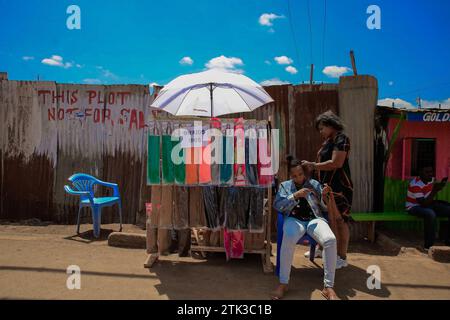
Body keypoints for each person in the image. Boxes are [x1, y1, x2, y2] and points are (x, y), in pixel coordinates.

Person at [271, 159, 338, 300]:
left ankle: (328, 287)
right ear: (290, 176)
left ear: (304, 173)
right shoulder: (285, 186)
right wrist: (295, 195)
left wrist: (325, 195)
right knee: (288, 237)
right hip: (294, 220)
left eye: (300, 174)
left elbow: (325, 207)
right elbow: (277, 205)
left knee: (330, 240)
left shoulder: (314, 184)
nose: (298, 178)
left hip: (314, 219)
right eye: (294, 176)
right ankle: (283, 283)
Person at [302, 110, 353, 269]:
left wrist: (314, 165)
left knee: (339, 221)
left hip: (339, 187)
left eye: (322, 128)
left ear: (331, 125)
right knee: (324, 219)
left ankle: (341, 257)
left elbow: (336, 163)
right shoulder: (328, 141)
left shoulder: (341, 139)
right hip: (325, 186)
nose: (321, 132)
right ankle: (321, 248)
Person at [406, 166, 450, 249]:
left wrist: (438, 187)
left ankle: (447, 240)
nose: (430, 174)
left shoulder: (429, 181)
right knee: (430, 214)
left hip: (428, 204)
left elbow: (428, 200)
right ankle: (429, 245)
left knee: (448, 209)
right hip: (414, 207)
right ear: (420, 174)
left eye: (431, 172)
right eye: (427, 172)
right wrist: (435, 190)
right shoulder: (415, 184)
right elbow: (423, 204)